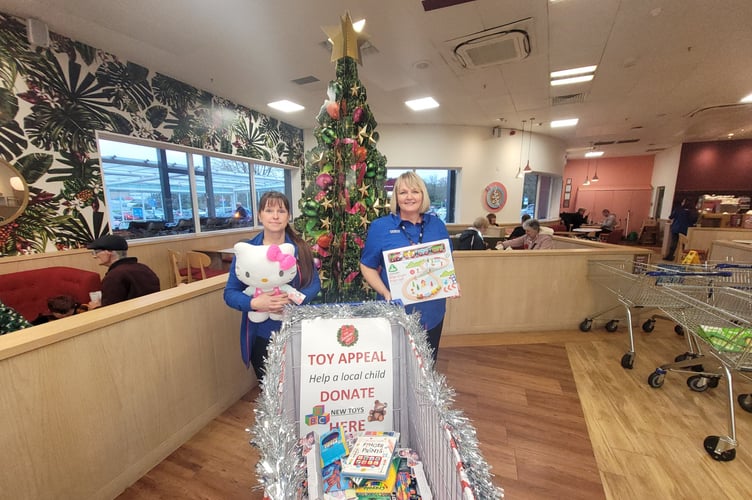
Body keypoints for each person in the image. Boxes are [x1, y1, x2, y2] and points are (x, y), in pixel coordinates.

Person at [223, 191, 321, 379]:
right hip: (261, 335)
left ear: (289, 216)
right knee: (270, 395)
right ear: (260, 215)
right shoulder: (247, 252)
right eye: (269, 210)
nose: (275, 216)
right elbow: (230, 293)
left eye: (281, 211)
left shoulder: (300, 250)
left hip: (296, 332)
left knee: (298, 392)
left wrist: (293, 301)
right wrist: (254, 303)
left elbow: (314, 284)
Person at [360, 172, 450, 361]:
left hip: (432, 311)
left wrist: (450, 283)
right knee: (395, 365)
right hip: (395, 312)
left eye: (415, 191)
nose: (409, 197)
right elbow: (367, 266)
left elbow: (446, 262)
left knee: (426, 366)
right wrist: (385, 293)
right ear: (396, 197)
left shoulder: (437, 225)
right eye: (403, 192)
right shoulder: (381, 227)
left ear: (423, 195)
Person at [87, 234, 160, 307]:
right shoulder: (144, 268)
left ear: (109, 252)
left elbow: (111, 310)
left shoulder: (114, 276)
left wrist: (96, 308)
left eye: (97, 252)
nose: (95, 256)